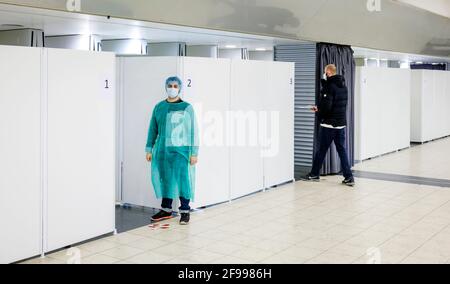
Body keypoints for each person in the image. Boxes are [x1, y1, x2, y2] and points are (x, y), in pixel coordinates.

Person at [146, 76, 199, 225]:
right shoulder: (159, 107)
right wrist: (149, 149)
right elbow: (152, 130)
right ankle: (166, 210)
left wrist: (194, 153)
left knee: (183, 181)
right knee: (166, 180)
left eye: (176, 86)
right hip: (163, 151)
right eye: (170, 85)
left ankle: (185, 211)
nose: (172, 88)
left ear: (180, 88)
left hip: (181, 152)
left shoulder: (186, 107)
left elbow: (193, 131)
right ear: (166, 87)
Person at [301, 64, 355, 187]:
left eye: (325, 72)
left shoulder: (329, 86)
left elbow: (327, 107)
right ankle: (349, 177)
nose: (324, 74)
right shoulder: (344, 86)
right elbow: (338, 105)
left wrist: (317, 110)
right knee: (342, 151)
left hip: (329, 125)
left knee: (321, 150)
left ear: (329, 72)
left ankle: (314, 174)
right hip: (340, 124)